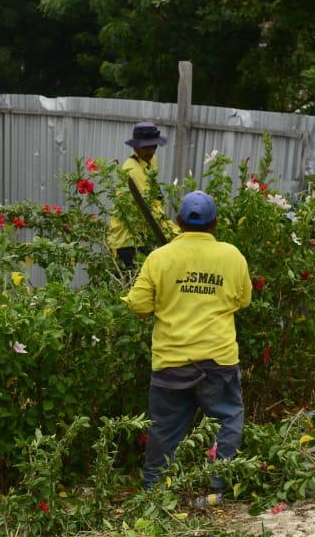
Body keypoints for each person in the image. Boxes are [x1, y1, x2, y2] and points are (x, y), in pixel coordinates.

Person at [123, 191, 252, 507]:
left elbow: (138, 305)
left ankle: (153, 495)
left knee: (164, 432)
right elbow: (242, 299)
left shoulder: (160, 257)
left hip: (171, 363)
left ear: (179, 222)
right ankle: (215, 490)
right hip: (217, 363)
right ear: (215, 223)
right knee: (228, 420)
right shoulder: (232, 256)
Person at [108, 121, 178, 268]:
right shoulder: (132, 169)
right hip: (127, 241)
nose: (150, 151)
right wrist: (176, 233)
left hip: (142, 235)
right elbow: (150, 208)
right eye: (145, 147)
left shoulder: (151, 160)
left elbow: (154, 196)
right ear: (136, 147)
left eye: (153, 146)